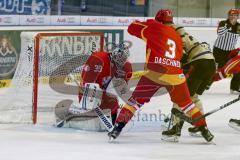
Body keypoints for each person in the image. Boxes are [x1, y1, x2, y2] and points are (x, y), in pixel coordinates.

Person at [108, 16, 214, 142]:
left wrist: (149, 23)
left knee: (134, 102)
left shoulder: (155, 27)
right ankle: (204, 130)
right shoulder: (177, 36)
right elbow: (180, 56)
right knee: (188, 105)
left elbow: (132, 28)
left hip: (155, 72)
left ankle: (117, 128)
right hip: (175, 74)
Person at [153, 9, 216, 140]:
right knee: (193, 97)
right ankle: (200, 125)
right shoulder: (178, 29)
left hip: (198, 62)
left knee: (180, 97)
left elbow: (181, 54)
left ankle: (175, 129)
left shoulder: (168, 31)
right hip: (210, 63)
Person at [55, 43, 132, 131]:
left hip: (104, 91)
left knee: (113, 100)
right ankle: (68, 116)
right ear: (114, 54)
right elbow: (87, 80)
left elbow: (120, 88)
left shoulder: (126, 67)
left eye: (123, 58)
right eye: (120, 57)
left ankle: (113, 123)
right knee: (91, 100)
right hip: (90, 90)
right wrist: (94, 96)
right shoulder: (99, 58)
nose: (121, 61)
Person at [213, 9, 240, 94]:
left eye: (234, 15)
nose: (232, 16)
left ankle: (234, 88)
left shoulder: (239, 26)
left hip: (230, 52)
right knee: (214, 70)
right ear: (228, 16)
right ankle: (205, 84)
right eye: (231, 15)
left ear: (237, 16)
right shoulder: (223, 23)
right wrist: (229, 25)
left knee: (238, 68)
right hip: (219, 51)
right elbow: (220, 33)